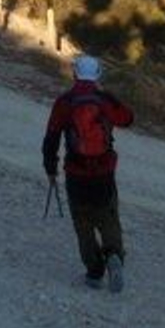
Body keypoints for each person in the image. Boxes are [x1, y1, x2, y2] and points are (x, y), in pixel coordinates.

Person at [42, 54, 135, 292]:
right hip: (104, 171)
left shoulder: (65, 101)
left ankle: (94, 272)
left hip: (76, 172)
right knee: (108, 216)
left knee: (83, 223)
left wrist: (51, 169)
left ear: (74, 73)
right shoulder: (103, 100)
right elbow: (128, 119)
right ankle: (114, 254)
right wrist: (108, 97)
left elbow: (51, 137)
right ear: (98, 75)